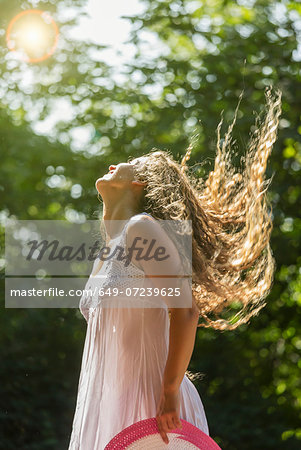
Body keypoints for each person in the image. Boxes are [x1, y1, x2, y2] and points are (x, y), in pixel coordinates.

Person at [68, 86, 282, 449]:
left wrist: (169, 392)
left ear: (137, 185)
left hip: (156, 406)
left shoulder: (142, 227)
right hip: (114, 402)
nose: (111, 165)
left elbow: (185, 310)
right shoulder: (109, 251)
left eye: (121, 164)